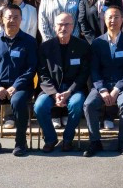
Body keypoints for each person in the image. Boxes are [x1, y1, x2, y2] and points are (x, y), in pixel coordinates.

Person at [0, 4, 38, 157]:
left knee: (18, 102)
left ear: (21, 19)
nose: (12, 20)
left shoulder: (29, 41)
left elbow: (31, 68)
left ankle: (20, 143)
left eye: (16, 17)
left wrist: (16, 86)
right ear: (2, 20)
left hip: (21, 87)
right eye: (9, 17)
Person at [83, 6, 123, 157]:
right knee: (89, 104)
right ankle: (95, 141)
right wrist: (102, 89)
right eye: (109, 17)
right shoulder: (97, 43)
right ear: (104, 20)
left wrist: (117, 89)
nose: (113, 20)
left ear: (122, 19)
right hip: (102, 85)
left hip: (122, 85)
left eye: (116, 17)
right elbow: (94, 70)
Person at [35, 13, 91, 153]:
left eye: (67, 24)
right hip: (50, 89)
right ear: (54, 27)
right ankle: (50, 139)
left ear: (73, 27)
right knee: (40, 106)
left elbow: (84, 74)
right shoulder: (45, 47)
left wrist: (69, 91)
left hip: (74, 89)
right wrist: (55, 94)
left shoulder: (82, 46)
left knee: (76, 104)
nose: (63, 28)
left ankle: (68, 139)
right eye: (60, 24)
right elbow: (43, 74)